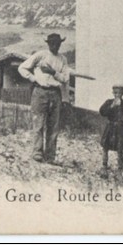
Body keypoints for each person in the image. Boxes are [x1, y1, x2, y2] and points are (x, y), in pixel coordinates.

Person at [18, 33, 73, 163]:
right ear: (48, 43)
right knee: (38, 124)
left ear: (60, 44)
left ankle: (50, 156)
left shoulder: (62, 59)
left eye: (58, 43)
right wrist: (33, 78)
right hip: (40, 91)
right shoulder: (41, 55)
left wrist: (52, 72)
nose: (55, 46)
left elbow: (65, 78)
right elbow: (22, 67)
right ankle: (37, 153)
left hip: (55, 93)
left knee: (53, 126)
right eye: (52, 43)